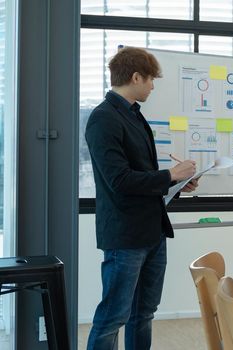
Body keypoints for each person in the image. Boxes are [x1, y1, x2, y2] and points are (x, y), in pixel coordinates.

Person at [85, 47, 199, 350]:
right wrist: (169, 175)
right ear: (135, 77)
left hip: (151, 232)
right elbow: (119, 180)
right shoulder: (103, 118)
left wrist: (176, 182)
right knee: (112, 317)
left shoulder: (134, 115)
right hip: (125, 236)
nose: (152, 86)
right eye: (150, 80)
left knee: (144, 313)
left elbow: (142, 176)